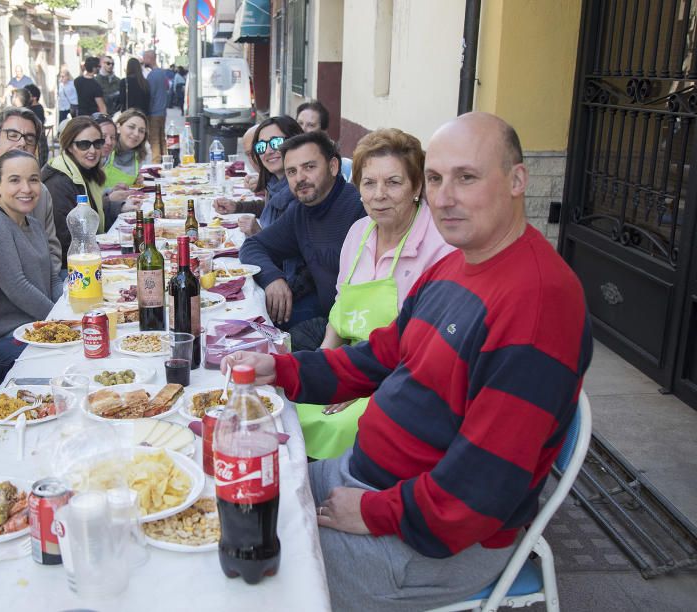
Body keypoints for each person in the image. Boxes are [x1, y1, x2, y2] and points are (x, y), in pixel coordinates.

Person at [223, 112, 593, 611]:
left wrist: (376, 512)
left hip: (428, 534)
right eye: (437, 179)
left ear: (517, 180)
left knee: (252, 581)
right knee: (234, 508)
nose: (444, 198)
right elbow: (379, 356)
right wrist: (283, 370)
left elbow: (481, 490)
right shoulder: (457, 263)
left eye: (467, 177)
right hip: (367, 477)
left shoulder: (538, 303)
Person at [296, 128, 454, 460]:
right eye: (369, 183)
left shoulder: (439, 248)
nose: (379, 194)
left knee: (339, 426)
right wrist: (326, 364)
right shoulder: (359, 232)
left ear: (417, 187)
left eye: (393, 183)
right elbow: (340, 312)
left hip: (403, 381)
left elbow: (431, 350)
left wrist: (363, 382)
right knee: (291, 402)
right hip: (352, 363)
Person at [239, 130, 364, 351]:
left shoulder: (359, 209)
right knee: (247, 333)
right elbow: (253, 245)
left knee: (271, 352)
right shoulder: (301, 211)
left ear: (333, 167)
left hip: (356, 329)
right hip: (327, 317)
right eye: (292, 171)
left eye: (309, 167)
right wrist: (272, 278)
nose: (300, 178)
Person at [0, 150, 62, 352]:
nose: (26, 188)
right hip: (8, 338)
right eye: (14, 180)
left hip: (41, 327)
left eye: (33, 180)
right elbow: (18, 287)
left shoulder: (35, 224)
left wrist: (67, 310)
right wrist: (62, 320)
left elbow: (52, 279)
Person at [0, 107, 61, 278]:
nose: (22, 143)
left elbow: (52, 251)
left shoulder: (41, 192)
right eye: (13, 135)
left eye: (29, 138)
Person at [41, 116, 112, 267]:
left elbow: (92, 214)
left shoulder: (86, 172)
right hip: (69, 269)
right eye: (84, 145)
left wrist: (120, 206)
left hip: (87, 257)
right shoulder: (59, 183)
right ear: (69, 146)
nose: (92, 150)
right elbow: (66, 242)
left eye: (97, 143)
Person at [214, 123, 269, 231]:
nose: (254, 158)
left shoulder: (288, 183)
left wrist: (259, 233)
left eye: (259, 149)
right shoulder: (273, 181)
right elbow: (267, 207)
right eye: (249, 154)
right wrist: (236, 206)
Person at [103, 109, 150, 190]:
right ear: (118, 127)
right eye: (131, 127)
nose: (136, 134)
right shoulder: (105, 150)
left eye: (141, 131)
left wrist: (136, 181)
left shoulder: (139, 156)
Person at [143, 50, 173, 159]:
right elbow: (167, 89)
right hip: (162, 112)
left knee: (154, 140)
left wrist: (146, 113)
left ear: (150, 58)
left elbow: (150, 95)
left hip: (154, 112)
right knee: (161, 139)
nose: (143, 60)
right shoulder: (162, 73)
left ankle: (156, 164)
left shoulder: (152, 75)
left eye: (144, 57)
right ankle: (166, 161)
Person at [24, 84, 49, 162]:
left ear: (34, 97)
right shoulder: (31, 107)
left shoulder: (36, 109)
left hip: (38, 144)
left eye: (27, 95)